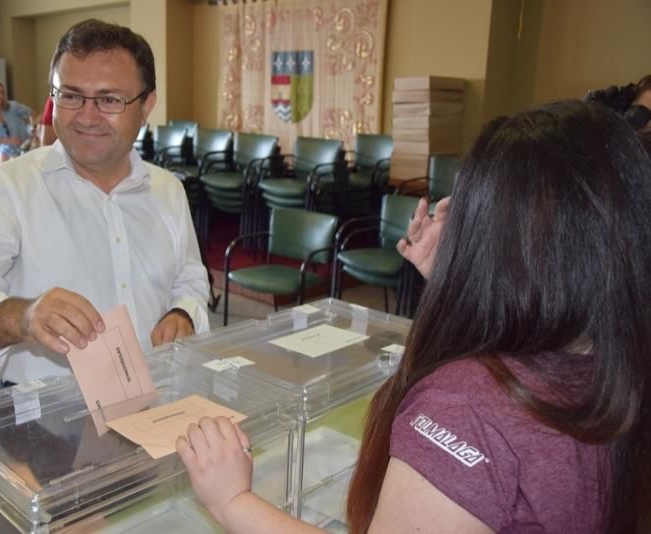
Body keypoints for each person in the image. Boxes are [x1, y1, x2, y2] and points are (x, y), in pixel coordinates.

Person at [175, 101, 651, 533]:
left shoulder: (467, 406)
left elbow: (472, 404)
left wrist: (232, 500)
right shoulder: (610, 354)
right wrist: (455, 282)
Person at [0, 20, 209, 387]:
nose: (87, 117)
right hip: (42, 421)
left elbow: (190, 280)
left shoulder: (168, 190)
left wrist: (182, 314)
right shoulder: (9, 187)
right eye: (71, 95)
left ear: (146, 106)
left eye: (110, 99)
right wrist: (24, 317)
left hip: (151, 400)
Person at [0, 81, 34, 163]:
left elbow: (31, 113)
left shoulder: (13, 106)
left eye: (1, 92)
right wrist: (9, 140)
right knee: (0, 171)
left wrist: (32, 128)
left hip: (25, 146)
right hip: (6, 149)